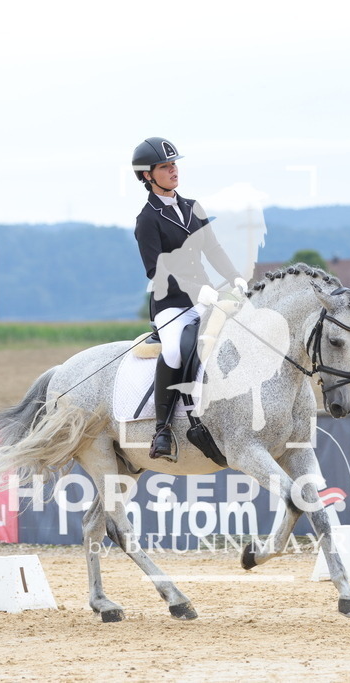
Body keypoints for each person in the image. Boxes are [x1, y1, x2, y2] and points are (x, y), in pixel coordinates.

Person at [131, 137, 247, 462]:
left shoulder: (193, 206)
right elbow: (156, 269)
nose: (173, 170)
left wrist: (236, 276)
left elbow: (213, 249)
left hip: (205, 298)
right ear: (147, 176)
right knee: (173, 350)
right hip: (170, 305)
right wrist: (196, 290)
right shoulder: (147, 220)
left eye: (174, 164)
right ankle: (163, 429)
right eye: (165, 167)